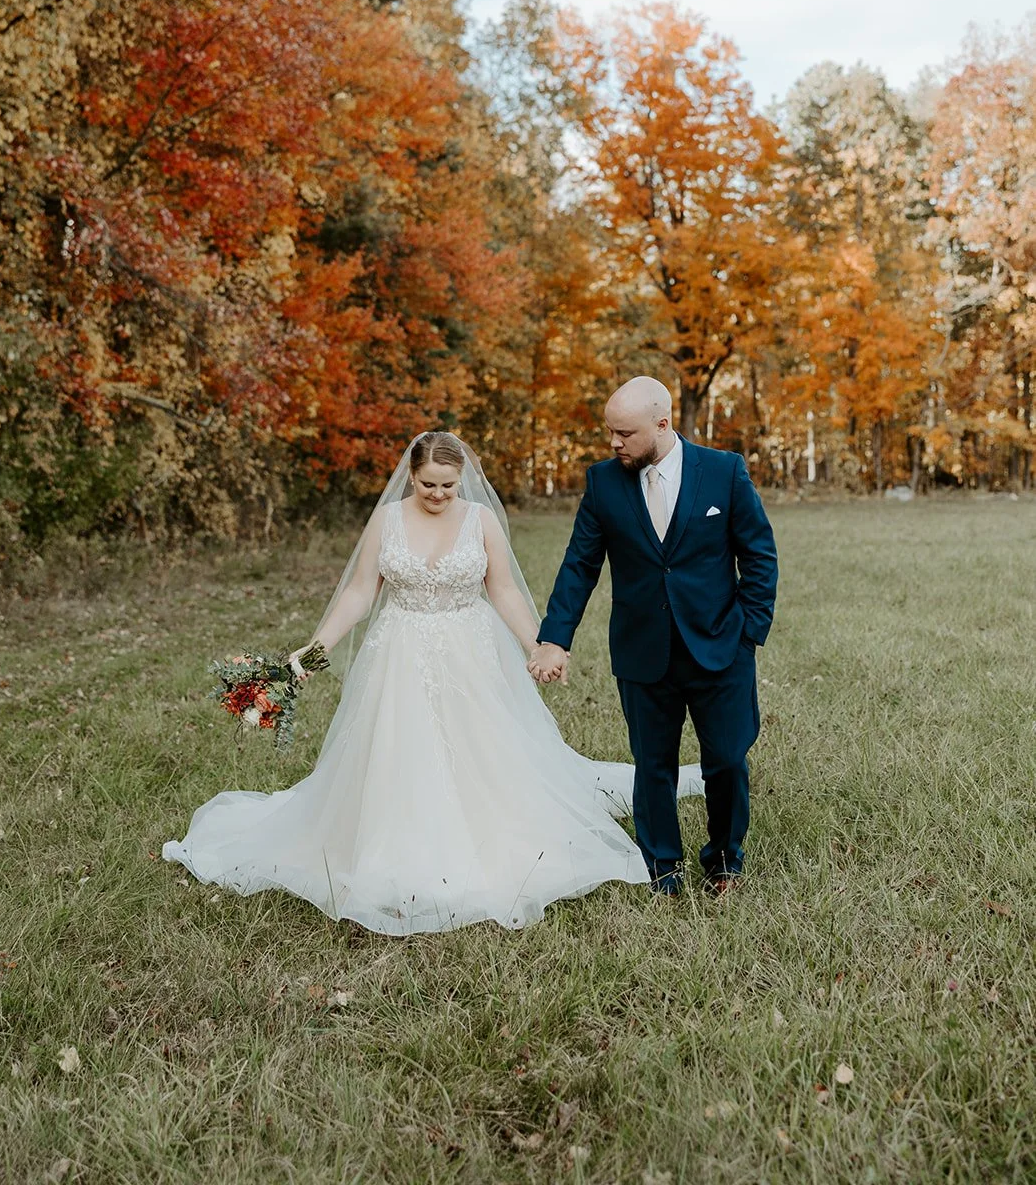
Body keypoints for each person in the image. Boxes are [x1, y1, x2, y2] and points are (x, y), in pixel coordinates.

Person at [163, 431, 702, 934]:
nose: (440, 495)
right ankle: (393, 851)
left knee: (484, 752)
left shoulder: (480, 520)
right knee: (399, 753)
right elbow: (359, 593)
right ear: (411, 478)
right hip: (399, 652)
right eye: (429, 486)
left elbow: (505, 591)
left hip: (471, 652)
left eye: (449, 485)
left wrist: (535, 644)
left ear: (462, 478)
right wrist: (311, 652)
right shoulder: (387, 520)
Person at [530, 378, 778, 897]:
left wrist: (749, 631)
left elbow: (758, 554)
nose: (614, 443)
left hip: (720, 646)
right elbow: (580, 565)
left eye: (624, 433)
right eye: (610, 432)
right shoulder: (603, 482)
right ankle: (663, 868)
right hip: (643, 651)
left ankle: (725, 862)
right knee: (653, 766)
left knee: (729, 760)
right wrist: (556, 638)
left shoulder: (723, 471)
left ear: (662, 425)